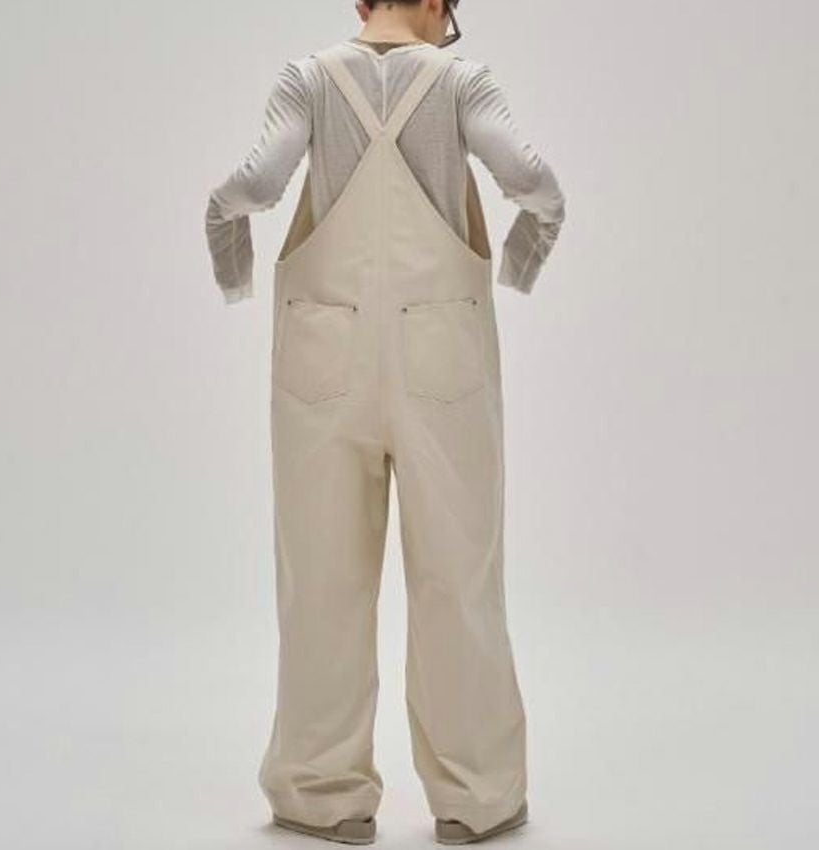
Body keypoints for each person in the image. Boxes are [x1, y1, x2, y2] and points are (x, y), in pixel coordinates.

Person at [204, 1, 566, 845]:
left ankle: (319, 794)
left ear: (362, 3)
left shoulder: (307, 81)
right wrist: (521, 259)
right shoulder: (464, 83)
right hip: (443, 353)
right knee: (459, 579)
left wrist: (227, 248)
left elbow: (255, 184)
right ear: (439, 4)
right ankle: (477, 797)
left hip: (320, 355)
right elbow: (535, 182)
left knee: (321, 581)